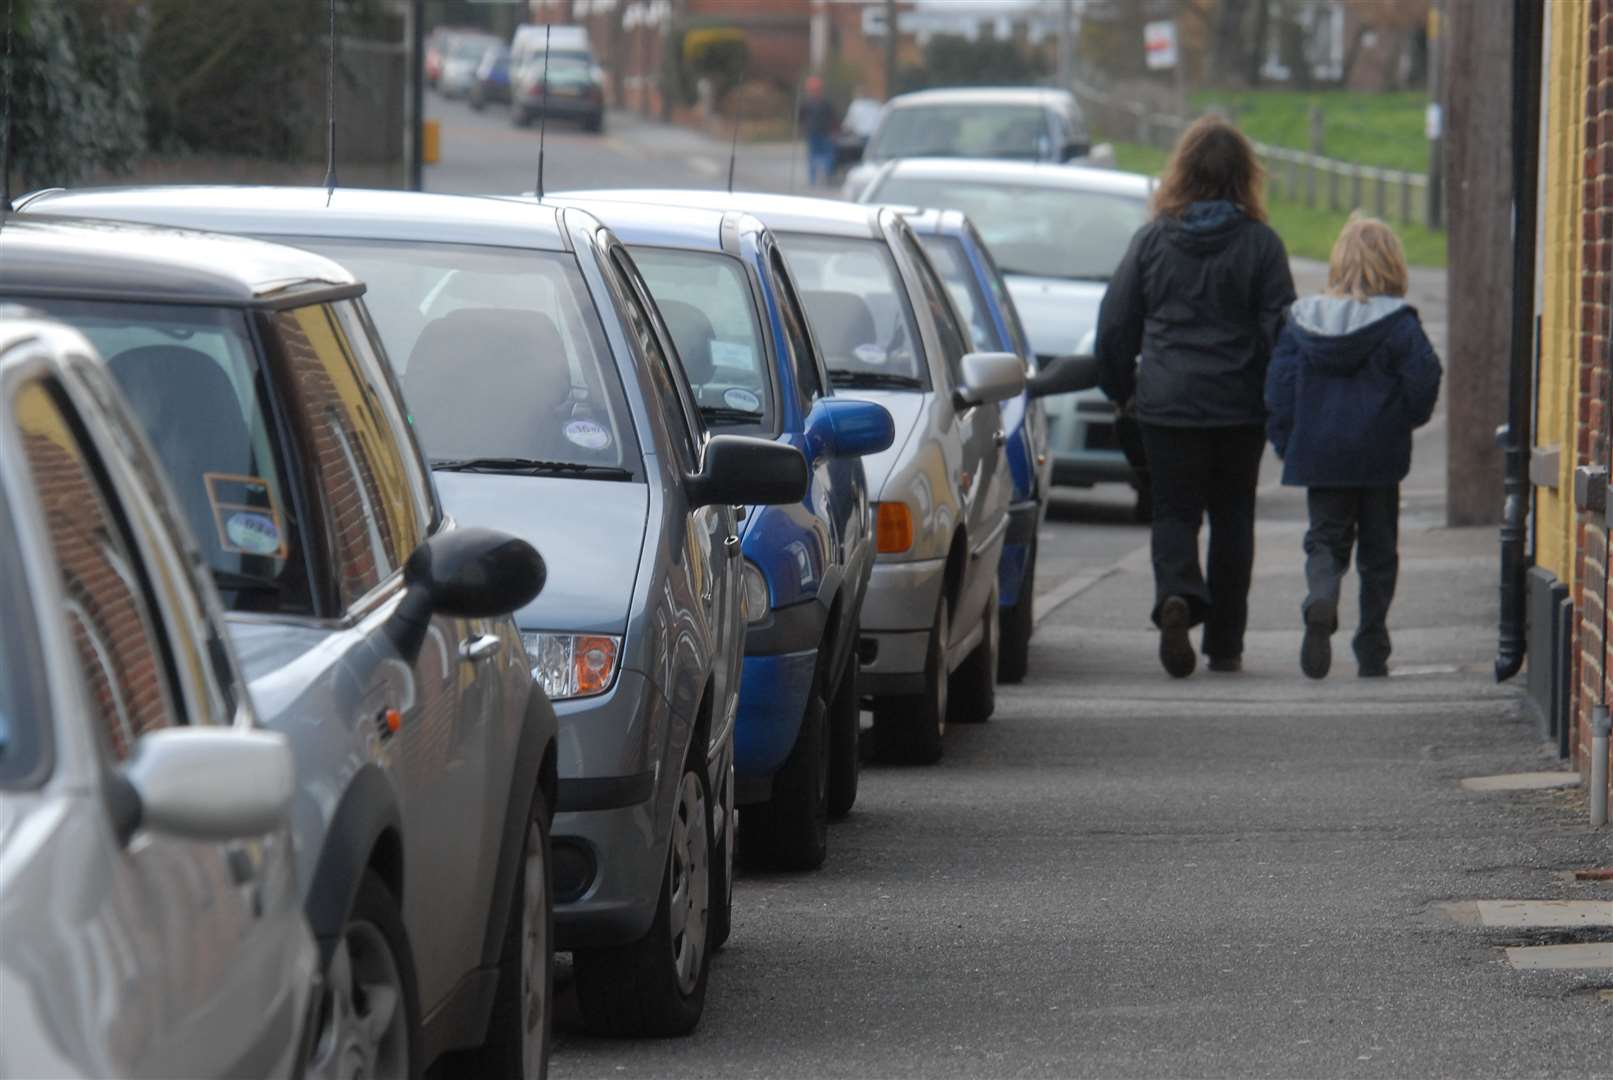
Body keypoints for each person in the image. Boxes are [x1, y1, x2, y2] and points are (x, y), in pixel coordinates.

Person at [1095, 115, 1297, 679]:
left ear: (1179, 173)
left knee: (1174, 512)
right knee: (1234, 519)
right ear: (1245, 177)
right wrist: (1278, 398)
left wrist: (1122, 388)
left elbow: (1115, 324)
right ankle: (1226, 643)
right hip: (1239, 405)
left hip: (1168, 402)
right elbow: (1282, 331)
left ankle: (1177, 597)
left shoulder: (1153, 241)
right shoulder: (1262, 246)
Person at [1265, 214, 1442, 680]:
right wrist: (1405, 421)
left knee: (1324, 540)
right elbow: (1424, 380)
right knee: (1379, 552)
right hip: (1380, 455)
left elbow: (1279, 386)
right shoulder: (1399, 324)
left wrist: (1287, 440)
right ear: (1393, 264)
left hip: (1320, 453)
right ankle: (1372, 646)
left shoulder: (1303, 321)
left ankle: (1321, 595)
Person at [798, 75, 836, 187]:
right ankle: (813, 179)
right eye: (813, 90)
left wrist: (834, 131)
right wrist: (802, 128)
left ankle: (827, 176)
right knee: (813, 156)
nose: (814, 92)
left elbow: (833, 118)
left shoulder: (825, 104)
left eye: (816, 89)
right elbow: (801, 118)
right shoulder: (807, 104)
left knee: (827, 156)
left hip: (825, 133)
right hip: (813, 134)